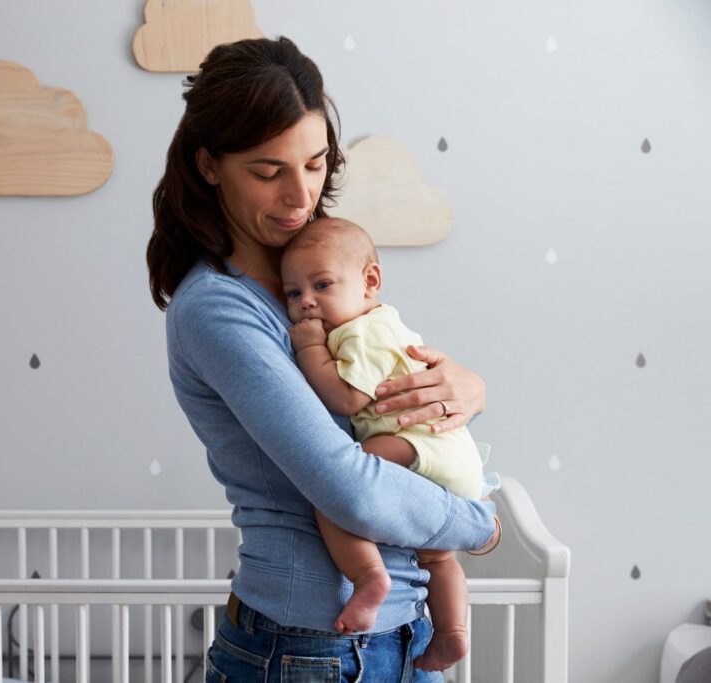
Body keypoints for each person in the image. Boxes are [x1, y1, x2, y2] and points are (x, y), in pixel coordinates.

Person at [146, 36, 497, 681]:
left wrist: (467, 388)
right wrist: (477, 524)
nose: (299, 196)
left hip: (405, 633)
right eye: (268, 170)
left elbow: (393, 395)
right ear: (209, 165)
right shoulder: (219, 309)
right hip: (308, 648)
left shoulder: (318, 279)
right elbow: (347, 486)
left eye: (314, 164)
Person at [282, 216, 498, 671]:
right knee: (437, 558)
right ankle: (452, 633)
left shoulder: (361, 333)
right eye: (294, 293)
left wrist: (309, 351)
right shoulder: (385, 325)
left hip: (416, 442)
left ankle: (368, 577)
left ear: (370, 282)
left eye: (321, 285)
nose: (306, 303)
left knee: (333, 492)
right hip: (449, 455)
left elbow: (346, 397)